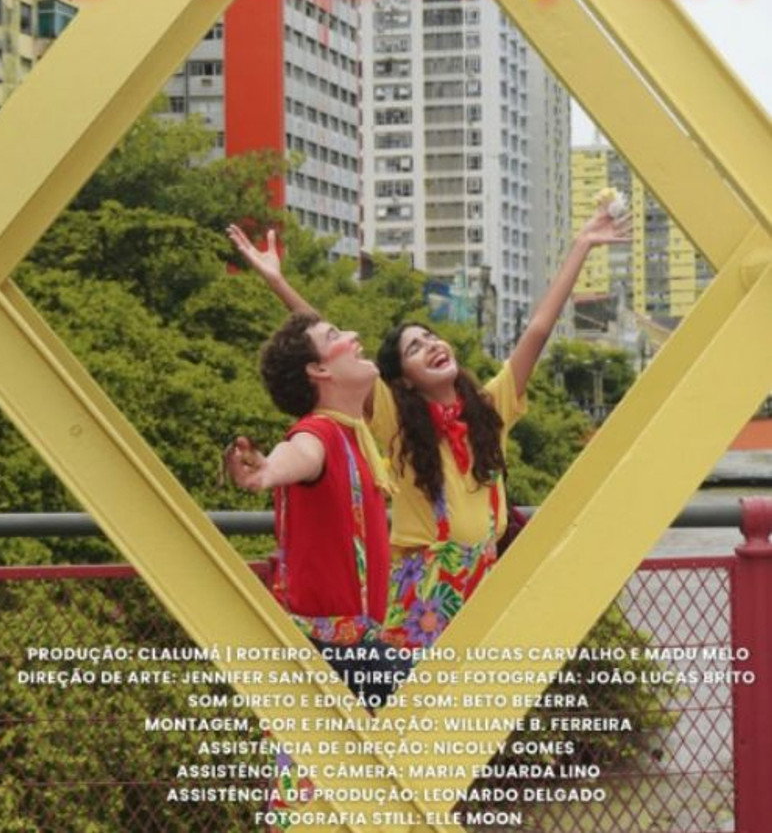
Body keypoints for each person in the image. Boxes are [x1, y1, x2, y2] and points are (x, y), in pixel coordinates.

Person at [226, 200, 630, 647]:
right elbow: (331, 351)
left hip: (485, 586)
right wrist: (278, 282)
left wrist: (582, 244)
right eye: (415, 348)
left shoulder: (489, 408)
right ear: (403, 379)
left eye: (431, 337)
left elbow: (537, 329)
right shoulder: (397, 420)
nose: (432, 345)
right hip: (420, 598)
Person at [224, 311, 407, 694]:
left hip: (355, 646)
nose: (354, 334)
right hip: (333, 652)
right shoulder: (319, 431)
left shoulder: (353, 435)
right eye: (335, 335)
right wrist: (267, 471)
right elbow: (300, 453)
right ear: (319, 370)